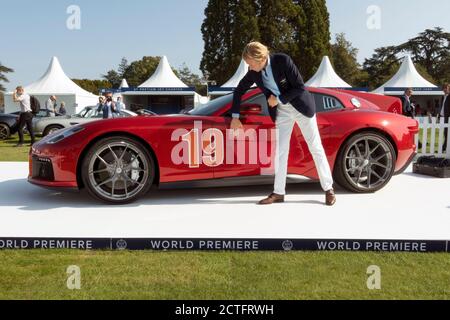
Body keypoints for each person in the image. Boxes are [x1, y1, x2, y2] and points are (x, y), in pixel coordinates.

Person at [230, 41, 336, 206]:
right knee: (280, 151)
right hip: (281, 112)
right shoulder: (254, 73)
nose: (248, 67)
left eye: (250, 63)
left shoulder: (282, 60)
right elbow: (239, 90)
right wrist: (235, 116)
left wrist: (278, 98)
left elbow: (299, 87)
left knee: (315, 147)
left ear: (259, 58)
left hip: (301, 106)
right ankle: (279, 192)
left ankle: (328, 189)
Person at [438, 83, 450, 152]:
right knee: (445, 133)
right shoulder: (443, 96)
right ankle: (444, 147)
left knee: (447, 133)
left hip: (448, 117)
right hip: (443, 116)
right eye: (443, 88)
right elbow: (442, 106)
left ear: (448, 88)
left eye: (446, 88)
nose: (444, 89)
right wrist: (440, 114)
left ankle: (444, 147)